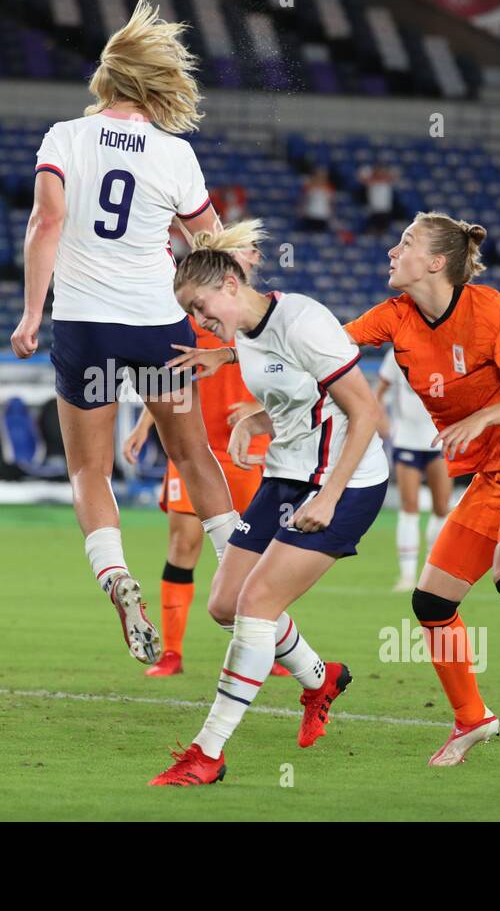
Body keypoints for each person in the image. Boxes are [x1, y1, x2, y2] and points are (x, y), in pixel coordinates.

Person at [166, 211, 500, 766]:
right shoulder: (396, 317)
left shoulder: (489, 310)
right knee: (431, 600)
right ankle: (473, 719)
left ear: (436, 262)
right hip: (493, 474)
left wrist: (482, 419)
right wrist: (229, 355)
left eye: (405, 243)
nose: (391, 252)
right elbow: (321, 346)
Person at [10, 0, 241, 666]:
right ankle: (236, 565)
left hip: (84, 326)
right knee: (193, 456)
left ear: (105, 81)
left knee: (88, 467)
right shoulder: (175, 155)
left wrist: (31, 313)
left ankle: (115, 576)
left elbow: (45, 225)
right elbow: (211, 245)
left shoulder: (63, 139)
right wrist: (226, 326)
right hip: (156, 327)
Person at [149, 222, 388, 786]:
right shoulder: (250, 330)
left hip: (344, 484)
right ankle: (320, 678)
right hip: (287, 475)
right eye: (189, 311)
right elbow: (283, 372)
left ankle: (207, 753)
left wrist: (330, 497)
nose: (197, 320)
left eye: (200, 306)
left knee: (256, 605)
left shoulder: (304, 320)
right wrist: (228, 366)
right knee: (226, 603)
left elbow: (366, 412)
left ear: (231, 284)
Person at [122, 245, 273, 678]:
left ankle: (274, 645)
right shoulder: (192, 317)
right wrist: (144, 426)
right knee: (183, 545)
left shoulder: (264, 318)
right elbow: (172, 374)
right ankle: (171, 652)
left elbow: (290, 373)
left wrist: (257, 410)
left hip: (247, 451)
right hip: (192, 451)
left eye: (249, 252)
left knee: (257, 554)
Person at [374, 351, 451, 592]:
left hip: (439, 440)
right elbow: (378, 392)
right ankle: (407, 576)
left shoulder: (446, 352)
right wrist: (383, 424)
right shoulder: (395, 355)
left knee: (442, 508)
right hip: (406, 440)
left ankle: (432, 570)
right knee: (409, 507)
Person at [357, 163, 398, 235]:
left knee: (384, 231)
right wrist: (368, 171)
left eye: (381, 172)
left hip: (385, 210)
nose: (379, 174)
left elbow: (395, 175)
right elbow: (361, 178)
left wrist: (385, 172)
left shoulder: (387, 182)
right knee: (373, 230)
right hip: (374, 210)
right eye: (377, 172)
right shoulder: (371, 182)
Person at [297, 166, 335, 233]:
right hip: (310, 213)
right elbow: (303, 199)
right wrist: (301, 209)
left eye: (323, 176)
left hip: (323, 214)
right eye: (319, 175)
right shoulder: (309, 186)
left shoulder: (329, 187)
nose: (321, 178)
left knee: (320, 234)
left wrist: (332, 214)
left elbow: (331, 202)